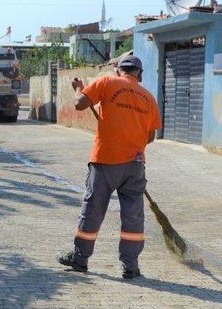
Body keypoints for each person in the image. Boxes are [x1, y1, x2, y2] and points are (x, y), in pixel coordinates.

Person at [58, 55, 162, 279]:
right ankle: (131, 267)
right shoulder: (149, 98)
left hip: (106, 161)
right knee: (133, 218)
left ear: (119, 71)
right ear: (140, 74)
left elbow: (79, 104)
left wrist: (79, 89)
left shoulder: (107, 82)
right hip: (135, 165)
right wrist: (131, 142)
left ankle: (80, 260)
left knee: (93, 210)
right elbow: (151, 136)